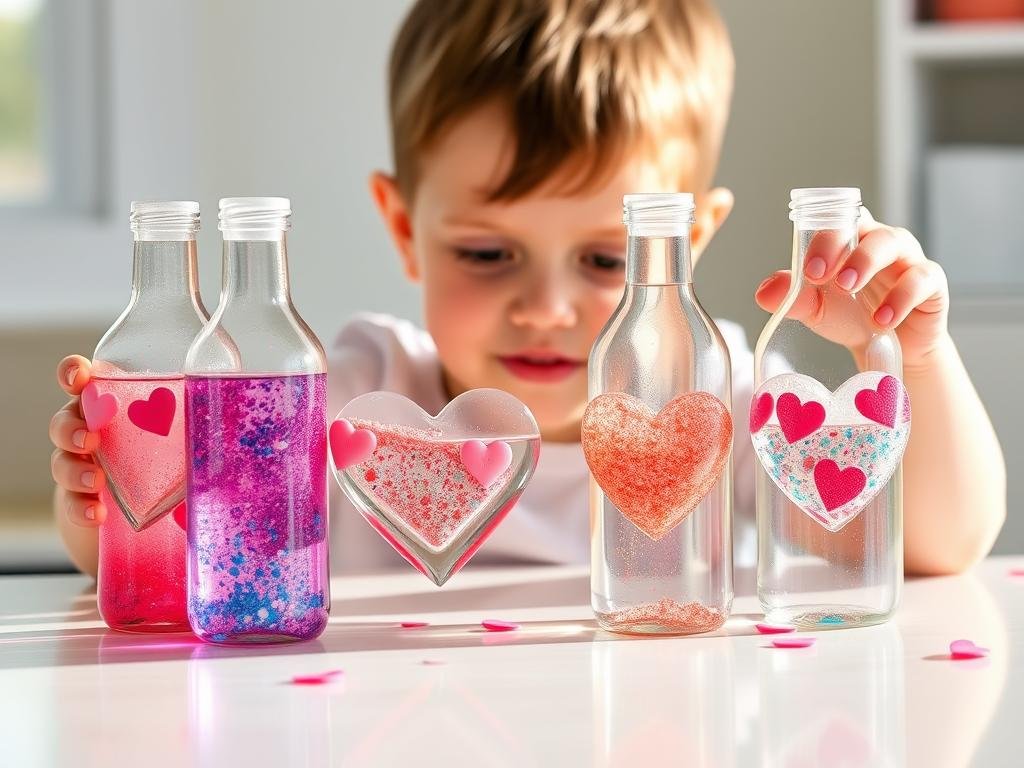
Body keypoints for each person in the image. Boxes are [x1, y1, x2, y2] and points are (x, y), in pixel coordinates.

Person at [50, 0, 1005, 579]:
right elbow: (177, 555)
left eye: (601, 260)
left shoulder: (716, 408)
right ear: (403, 228)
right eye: (487, 254)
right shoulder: (351, 396)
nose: (545, 309)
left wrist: (914, 355)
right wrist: (106, 498)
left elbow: (939, 547)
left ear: (689, 239)